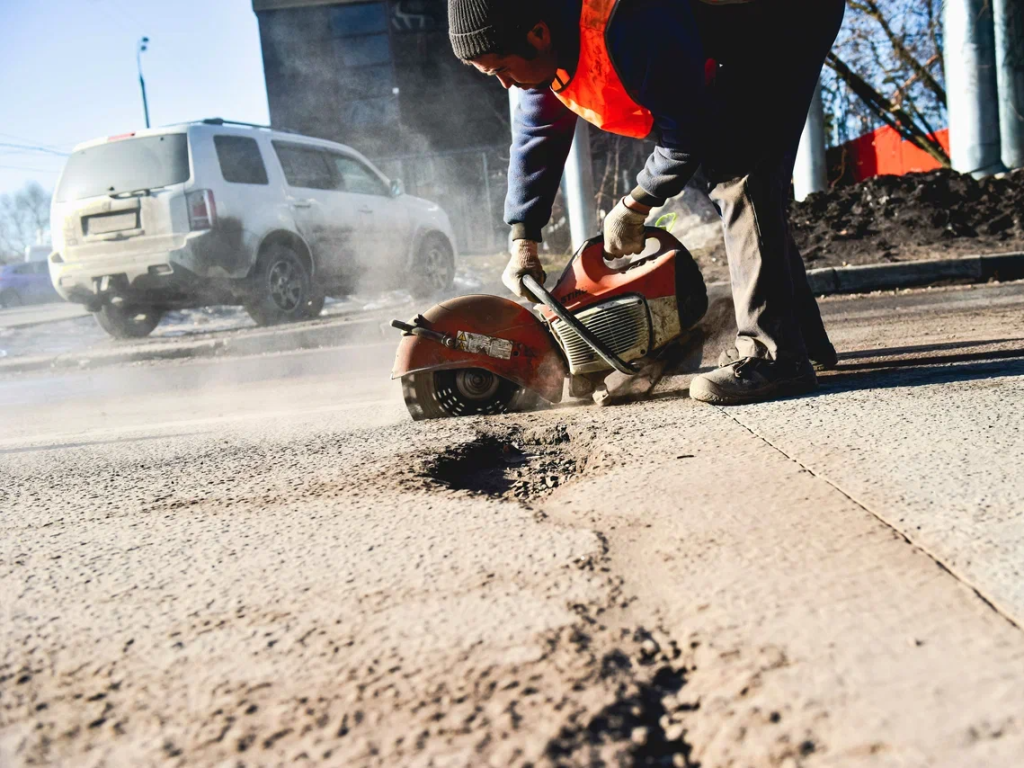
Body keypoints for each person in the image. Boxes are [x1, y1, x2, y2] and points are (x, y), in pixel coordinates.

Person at [446, 0, 844, 405]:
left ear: (538, 34)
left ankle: (776, 357)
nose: (505, 85)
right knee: (734, 175)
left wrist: (635, 205)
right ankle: (802, 339)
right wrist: (523, 238)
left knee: (739, 175)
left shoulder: (629, 20)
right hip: (731, 36)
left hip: (786, 19)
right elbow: (537, 136)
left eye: (500, 69)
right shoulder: (545, 48)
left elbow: (687, 132)